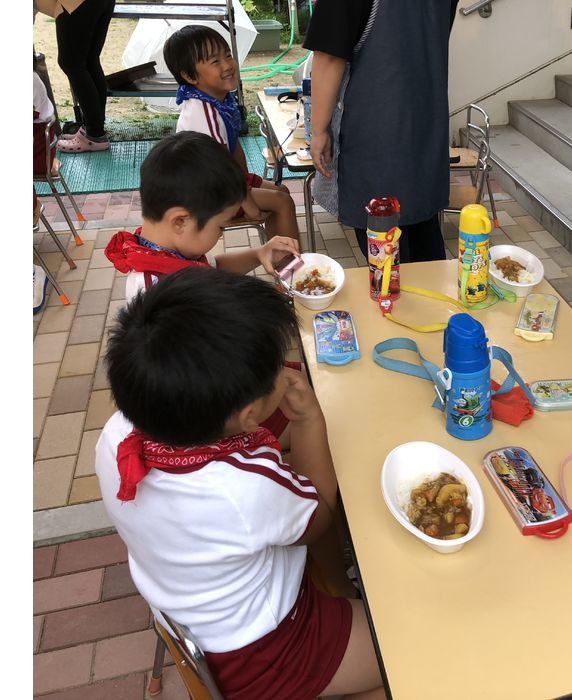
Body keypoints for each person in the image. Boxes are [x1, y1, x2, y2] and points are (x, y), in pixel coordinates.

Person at [94, 267, 385, 700]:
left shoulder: (117, 435)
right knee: (403, 652)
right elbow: (321, 513)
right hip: (264, 653)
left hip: (190, 615)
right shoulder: (243, 488)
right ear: (249, 415)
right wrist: (308, 418)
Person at [304, 0, 459, 263]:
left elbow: (329, 56)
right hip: (425, 131)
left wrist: (318, 130)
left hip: (375, 136)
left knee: (385, 257)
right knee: (424, 241)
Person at [103, 130, 299, 301]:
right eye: (221, 227)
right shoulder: (155, 294)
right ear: (180, 221)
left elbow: (213, 268)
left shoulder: (167, 251)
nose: (220, 234)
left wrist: (259, 253)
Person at [162, 25, 300, 242]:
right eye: (215, 61)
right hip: (206, 196)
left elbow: (233, 151)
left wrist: (248, 184)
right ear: (189, 76)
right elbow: (223, 169)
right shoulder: (204, 113)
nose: (227, 65)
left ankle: (278, 255)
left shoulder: (220, 101)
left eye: (227, 55)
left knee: (281, 191)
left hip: (224, 182)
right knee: (282, 202)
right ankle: (291, 262)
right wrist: (249, 205)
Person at [34, 0, 115, 152]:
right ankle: (94, 130)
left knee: (71, 63)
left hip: (74, 3)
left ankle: (94, 135)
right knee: (89, 60)